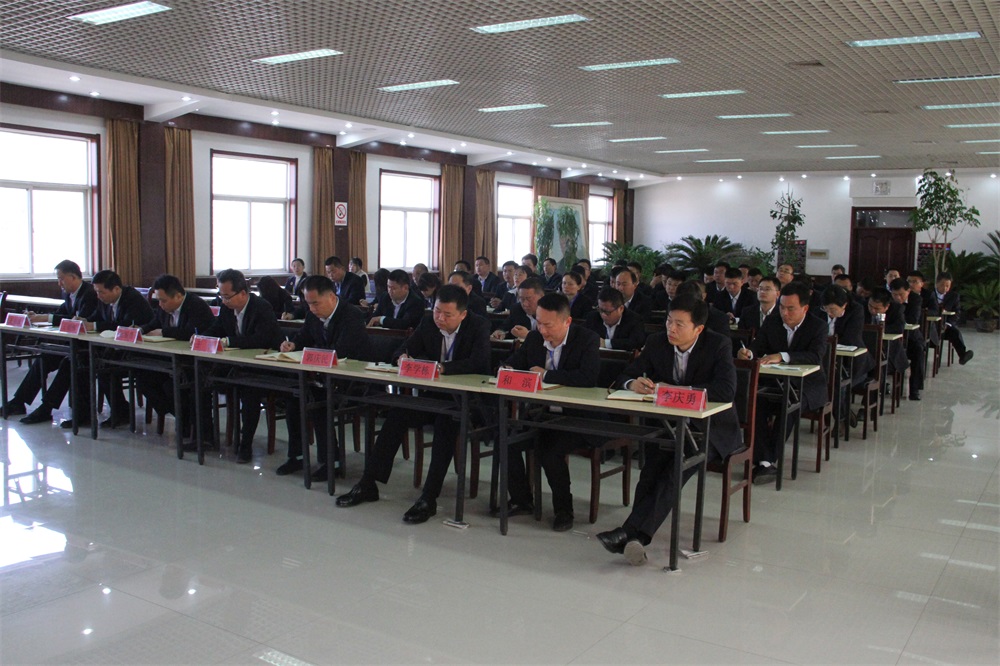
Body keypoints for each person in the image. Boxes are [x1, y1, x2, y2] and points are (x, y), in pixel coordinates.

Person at [595, 294, 741, 564]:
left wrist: (677, 391)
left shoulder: (718, 344)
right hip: (669, 426)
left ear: (698, 328)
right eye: (668, 321)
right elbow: (626, 375)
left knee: (674, 471)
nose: (671, 329)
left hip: (710, 429)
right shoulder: (657, 342)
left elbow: (726, 390)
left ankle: (632, 533)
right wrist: (632, 384)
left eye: (679, 324)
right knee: (650, 471)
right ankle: (634, 536)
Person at [336, 285, 491, 522]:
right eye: (437, 311)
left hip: (467, 402)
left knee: (446, 426)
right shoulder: (428, 322)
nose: (440, 318)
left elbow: (480, 362)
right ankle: (368, 483)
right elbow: (405, 347)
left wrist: (443, 368)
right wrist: (402, 357)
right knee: (397, 414)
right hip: (433, 396)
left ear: (463, 314)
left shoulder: (478, 326)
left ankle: (429, 497)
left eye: (447, 315)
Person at [502, 293, 600, 531]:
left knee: (550, 450)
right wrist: (506, 369)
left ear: (567, 321)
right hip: (541, 415)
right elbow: (516, 361)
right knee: (505, 440)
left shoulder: (586, 339)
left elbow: (587, 378)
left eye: (548, 325)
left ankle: (564, 510)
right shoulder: (534, 338)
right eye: (539, 323)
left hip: (578, 417)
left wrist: (546, 375)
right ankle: (522, 500)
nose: (542, 330)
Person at [22, 269, 156, 429]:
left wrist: (93, 325)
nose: (98, 296)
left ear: (116, 289)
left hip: (136, 351)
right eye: (97, 292)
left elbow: (126, 325)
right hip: (112, 349)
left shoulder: (133, 299)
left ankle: (116, 411)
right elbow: (96, 317)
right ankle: (76, 413)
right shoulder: (104, 299)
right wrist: (83, 321)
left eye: (101, 292)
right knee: (74, 361)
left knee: (91, 364)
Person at [275, 275, 374, 478]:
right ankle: (297, 456)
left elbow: (341, 351)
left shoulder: (351, 315)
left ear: (331, 297)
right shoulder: (313, 315)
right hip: (324, 376)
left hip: (353, 380)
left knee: (317, 400)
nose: (311, 308)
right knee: (294, 396)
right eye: (308, 303)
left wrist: (312, 356)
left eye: (315, 303)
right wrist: (292, 345)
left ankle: (331, 462)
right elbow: (303, 336)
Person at [737, 281, 828, 485]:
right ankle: (766, 461)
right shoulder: (773, 321)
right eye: (782, 307)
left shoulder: (818, 326)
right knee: (756, 402)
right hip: (775, 382)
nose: (785, 313)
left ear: (805, 308)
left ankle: (766, 459)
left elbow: (815, 356)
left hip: (808, 386)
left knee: (790, 404)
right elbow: (758, 346)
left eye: (791, 308)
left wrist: (782, 355)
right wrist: (748, 353)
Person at [203, 269, 284, 463]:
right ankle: (205, 435)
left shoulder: (261, 307)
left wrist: (229, 341)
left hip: (263, 366)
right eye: (221, 296)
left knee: (249, 391)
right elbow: (217, 328)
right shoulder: (226, 308)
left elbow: (261, 339)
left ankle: (245, 445)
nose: (223, 301)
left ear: (242, 293)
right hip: (237, 364)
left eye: (227, 296)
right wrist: (201, 338)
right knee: (201, 379)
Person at [5, 260, 99, 417]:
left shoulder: (90, 293)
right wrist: (38, 316)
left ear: (74, 277)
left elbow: (78, 319)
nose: (59, 283)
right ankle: (19, 402)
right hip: (70, 343)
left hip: (86, 347)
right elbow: (62, 312)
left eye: (61, 279)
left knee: (67, 363)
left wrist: (45, 317)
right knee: (43, 359)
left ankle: (47, 407)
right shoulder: (67, 293)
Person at [136, 274, 216, 442]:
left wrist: (164, 332)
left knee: (172, 386)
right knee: (144, 378)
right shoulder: (164, 308)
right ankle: (181, 418)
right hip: (171, 358)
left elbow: (191, 333)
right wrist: (139, 331)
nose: (160, 305)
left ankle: (188, 424)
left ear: (178, 296)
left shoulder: (196, 306)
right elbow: (153, 323)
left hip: (195, 361)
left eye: (163, 300)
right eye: (158, 300)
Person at [821, 285, 875, 423]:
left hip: (853, 363)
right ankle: (842, 416)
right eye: (826, 308)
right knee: (827, 380)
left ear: (844, 305)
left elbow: (851, 338)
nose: (829, 313)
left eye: (833, 309)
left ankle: (841, 420)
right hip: (827, 361)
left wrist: (826, 342)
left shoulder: (856, 310)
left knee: (838, 383)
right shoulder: (818, 311)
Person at [890, 277, 926, 400]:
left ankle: (914, 389)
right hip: (894, 338)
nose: (898, 297)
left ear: (908, 291)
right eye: (894, 294)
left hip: (912, 337)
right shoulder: (887, 300)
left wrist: (899, 310)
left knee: (918, 350)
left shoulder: (916, 299)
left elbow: (913, 319)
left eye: (901, 294)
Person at [583, 287, 647, 351]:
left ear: (621, 309)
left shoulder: (634, 320)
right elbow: (583, 336)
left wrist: (606, 343)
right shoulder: (593, 317)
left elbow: (637, 342)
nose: (603, 315)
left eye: (607, 312)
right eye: (600, 310)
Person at [933, 271, 974, 365]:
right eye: (942, 285)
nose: (945, 288)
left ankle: (962, 355)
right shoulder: (929, 294)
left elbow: (957, 313)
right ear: (936, 283)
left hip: (945, 327)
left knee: (955, 332)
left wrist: (948, 324)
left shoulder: (954, 296)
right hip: (931, 326)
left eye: (947, 286)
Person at [491, 277, 544, 341]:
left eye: (529, 299)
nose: (525, 304)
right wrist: (501, 332)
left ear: (542, 297)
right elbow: (506, 327)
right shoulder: (517, 309)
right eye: (521, 299)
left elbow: (552, 337)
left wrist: (528, 335)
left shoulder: (551, 312)